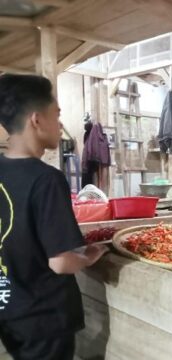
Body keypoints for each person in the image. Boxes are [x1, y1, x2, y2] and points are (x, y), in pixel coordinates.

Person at [0, 74, 108, 360]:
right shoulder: (47, 179)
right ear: (36, 120)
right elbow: (61, 262)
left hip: (9, 310)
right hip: (44, 320)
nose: (60, 124)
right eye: (57, 115)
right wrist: (89, 256)